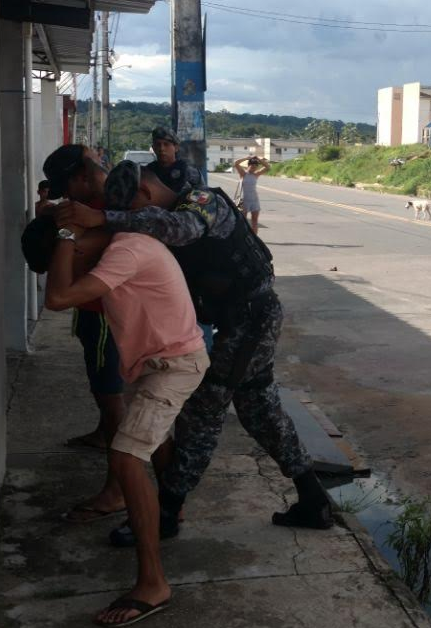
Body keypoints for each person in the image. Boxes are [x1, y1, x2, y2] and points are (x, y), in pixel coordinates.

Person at [56, 157, 333, 547]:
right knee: (260, 412)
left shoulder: (201, 202)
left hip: (249, 319)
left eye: (133, 210)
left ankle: (166, 513)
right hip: (241, 321)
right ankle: (313, 499)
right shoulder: (163, 214)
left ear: (146, 193)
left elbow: (180, 229)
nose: (134, 222)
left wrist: (105, 219)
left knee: (203, 412)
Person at [23, 183, 209, 626]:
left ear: (81, 241)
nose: (74, 266)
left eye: (74, 256)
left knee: (126, 456)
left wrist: (65, 236)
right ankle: (169, 510)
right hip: (156, 362)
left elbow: (57, 299)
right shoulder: (120, 247)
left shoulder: (128, 250)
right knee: (153, 441)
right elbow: (63, 288)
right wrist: (59, 221)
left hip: (175, 364)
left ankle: (153, 584)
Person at [39, 147, 128, 524]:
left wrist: (66, 230)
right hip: (89, 311)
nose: (67, 194)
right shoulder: (84, 203)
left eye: (70, 184)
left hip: (106, 312)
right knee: (100, 387)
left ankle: (118, 487)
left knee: (114, 401)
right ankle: (101, 433)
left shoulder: (110, 204)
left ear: (82, 175)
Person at [148, 126, 203, 190]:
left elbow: (204, 195)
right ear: (153, 148)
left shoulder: (189, 173)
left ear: (176, 147)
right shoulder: (148, 172)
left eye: (166, 144)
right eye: (158, 144)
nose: (161, 149)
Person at [233, 155, 270, 230]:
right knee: (242, 221)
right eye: (252, 166)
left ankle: (254, 239)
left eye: (255, 166)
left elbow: (267, 167)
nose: (254, 168)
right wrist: (247, 158)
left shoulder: (256, 174)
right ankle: (242, 238)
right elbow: (236, 163)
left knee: (254, 221)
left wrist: (259, 159)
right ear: (248, 165)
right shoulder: (243, 173)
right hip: (244, 200)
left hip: (254, 200)